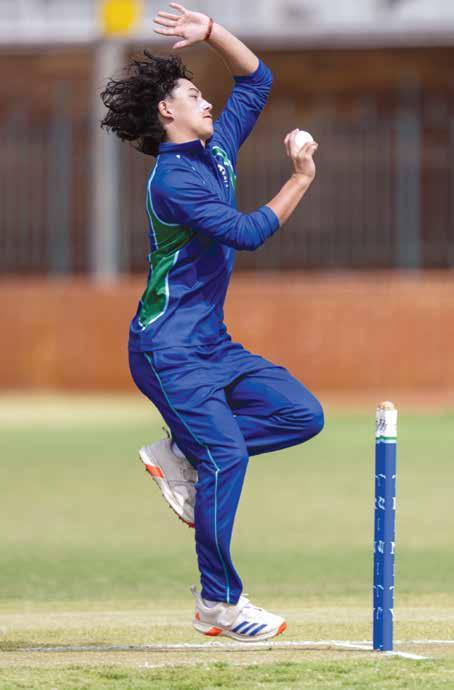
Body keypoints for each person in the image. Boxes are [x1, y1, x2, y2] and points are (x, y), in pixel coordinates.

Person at [101, 2, 323, 642]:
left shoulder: (215, 151)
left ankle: (181, 452)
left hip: (210, 345)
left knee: (301, 414)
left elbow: (257, 81)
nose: (207, 101)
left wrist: (212, 32)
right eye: (193, 95)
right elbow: (248, 233)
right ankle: (218, 605)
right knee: (226, 456)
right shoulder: (174, 181)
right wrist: (301, 177)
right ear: (166, 112)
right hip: (167, 350)